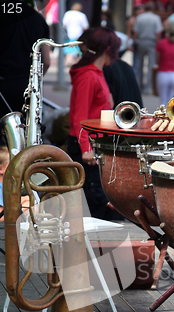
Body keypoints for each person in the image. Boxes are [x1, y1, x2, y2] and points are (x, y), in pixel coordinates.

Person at [0, 1, 50, 177]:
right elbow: (48, 61)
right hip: (28, 88)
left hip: (3, 84)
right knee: (27, 140)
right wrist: (33, 84)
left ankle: (4, 179)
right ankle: (22, 181)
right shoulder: (39, 20)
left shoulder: (0, 11)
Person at [67, 27, 123, 220]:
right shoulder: (89, 76)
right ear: (108, 48)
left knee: (99, 202)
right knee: (95, 203)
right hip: (87, 147)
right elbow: (79, 116)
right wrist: (86, 148)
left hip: (93, 145)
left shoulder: (96, 73)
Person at [132, 2, 163, 94]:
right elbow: (158, 33)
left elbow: (136, 32)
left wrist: (134, 42)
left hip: (141, 41)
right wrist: (158, 44)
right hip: (151, 42)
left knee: (139, 65)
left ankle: (139, 85)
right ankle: (148, 87)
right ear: (153, 9)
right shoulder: (156, 18)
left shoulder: (140, 17)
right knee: (150, 66)